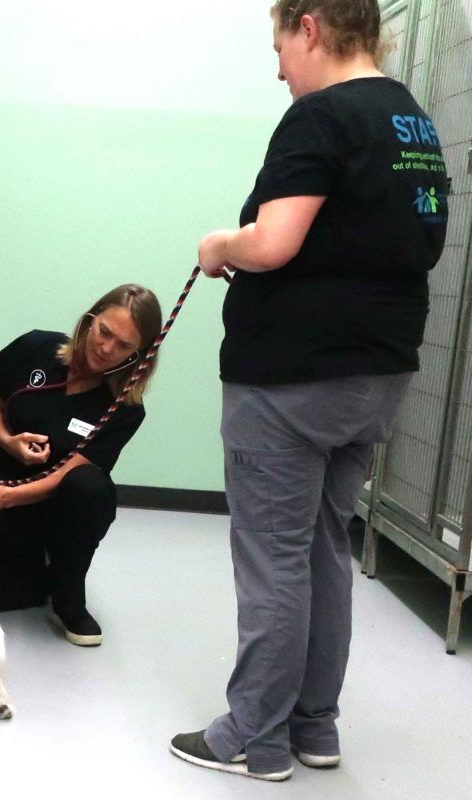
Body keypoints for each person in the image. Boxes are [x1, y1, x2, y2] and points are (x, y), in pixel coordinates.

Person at [170, 0, 448, 782]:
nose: (279, 66)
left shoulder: (320, 116)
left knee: (274, 560)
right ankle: (314, 726)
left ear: (313, 26)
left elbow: (275, 240)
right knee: (325, 546)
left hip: (291, 379)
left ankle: (254, 739)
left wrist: (218, 244)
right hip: (378, 374)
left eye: (281, 44)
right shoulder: (414, 125)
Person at [0, 284, 162, 647]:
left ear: (140, 355)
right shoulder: (36, 347)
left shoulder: (125, 408)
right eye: (104, 332)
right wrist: (9, 442)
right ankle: (41, 569)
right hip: (5, 482)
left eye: (124, 346)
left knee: (87, 485)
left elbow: (65, 473)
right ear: (90, 321)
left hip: (63, 503)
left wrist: (8, 497)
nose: (107, 349)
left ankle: (69, 593)